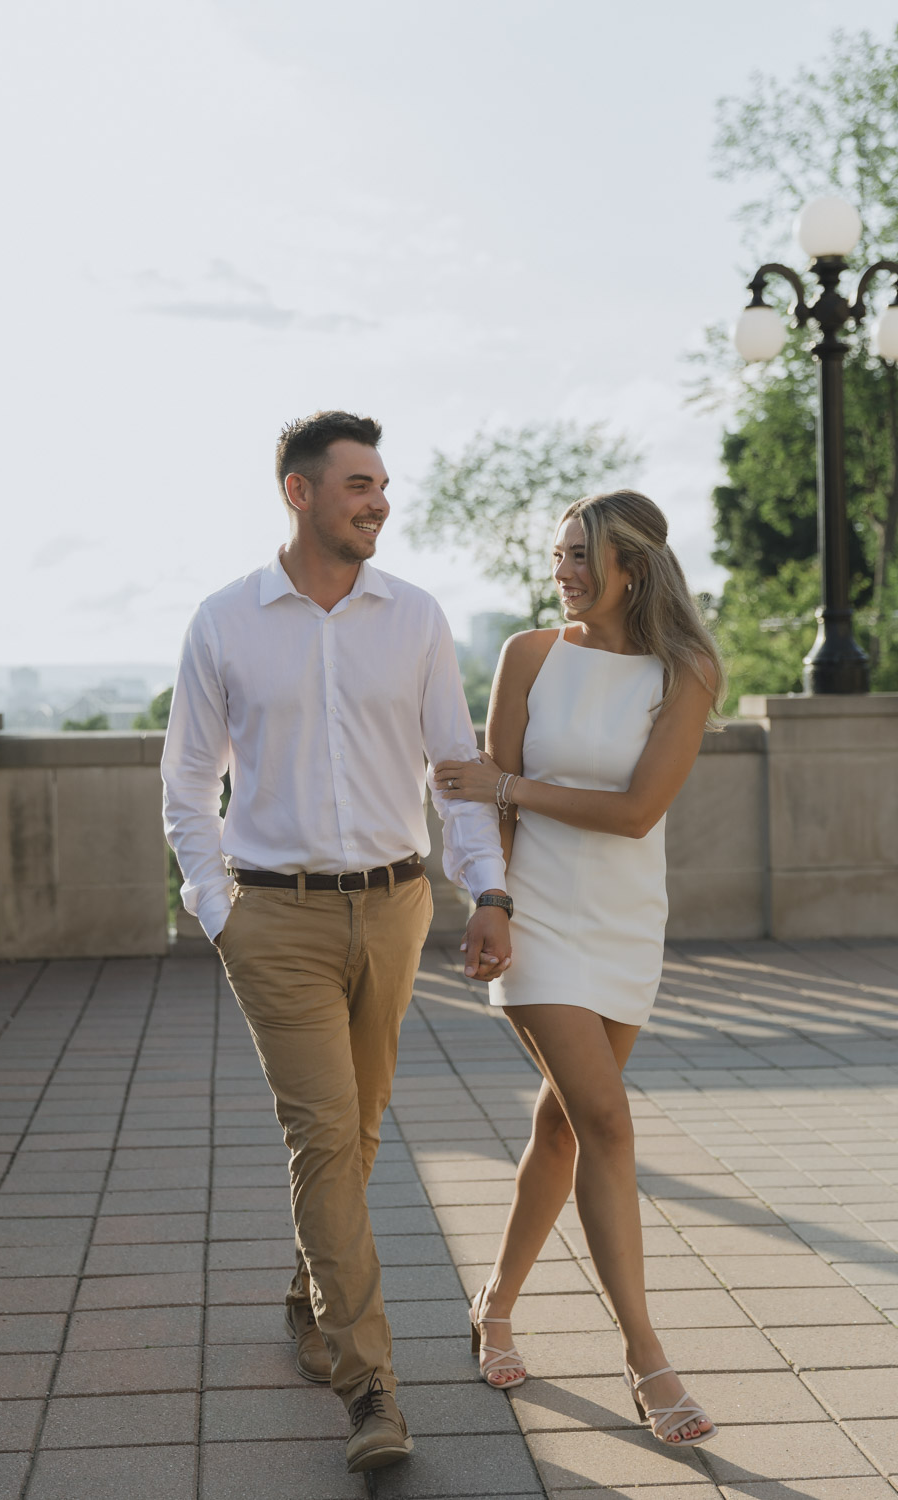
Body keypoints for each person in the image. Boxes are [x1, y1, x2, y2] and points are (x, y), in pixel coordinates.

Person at [160, 410, 512, 1476]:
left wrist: (485, 888)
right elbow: (185, 781)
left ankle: (307, 1289)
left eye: (382, 483)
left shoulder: (414, 618)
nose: (380, 500)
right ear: (298, 493)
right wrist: (219, 910)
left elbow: (454, 766)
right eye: (358, 484)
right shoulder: (226, 621)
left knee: (354, 1133)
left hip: (395, 905)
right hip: (276, 916)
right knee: (324, 1132)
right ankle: (371, 1389)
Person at [435, 488, 724, 1446]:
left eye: (578, 555)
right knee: (603, 1115)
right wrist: (492, 904)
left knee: (562, 1125)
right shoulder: (527, 655)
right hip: (541, 918)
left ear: (629, 568)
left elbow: (639, 811)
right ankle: (648, 1357)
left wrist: (509, 782)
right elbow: (488, 808)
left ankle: (496, 1301)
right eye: (557, 553)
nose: (560, 570)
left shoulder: (684, 671)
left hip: (628, 919)